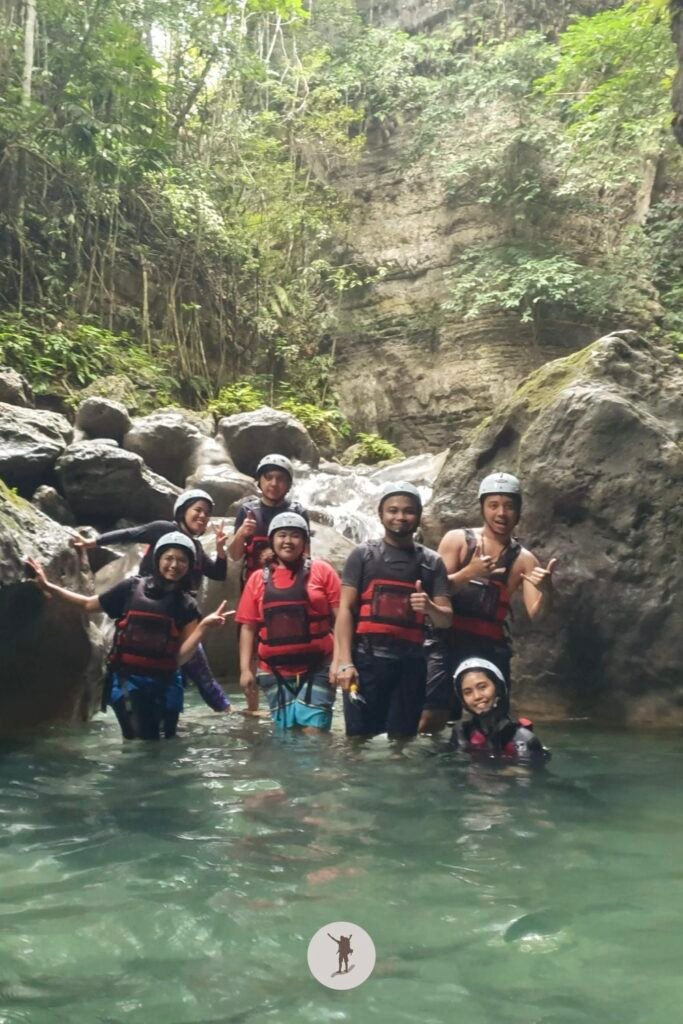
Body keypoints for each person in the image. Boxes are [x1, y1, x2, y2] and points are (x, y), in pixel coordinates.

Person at [27, 533, 231, 741]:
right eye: (169, 558)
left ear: (188, 567)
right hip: (128, 680)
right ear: (158, 560)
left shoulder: (187, 606)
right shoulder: (131, 589)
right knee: (143, 739)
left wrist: (203, 626)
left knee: (163, 741)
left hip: (165, 683)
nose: (174, 565)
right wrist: (48, 587)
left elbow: (179, 658)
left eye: (181, 560)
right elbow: (88, 604)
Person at [71, 489, 231, 714]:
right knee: (180, 673)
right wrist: (93, 542)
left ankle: (224, 713)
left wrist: (222, 550)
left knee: (194, 674)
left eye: (207, 513)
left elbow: (217, 573)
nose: (203, 516)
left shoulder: (195, 548)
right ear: (182, 511)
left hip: (179, 616)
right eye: (198, 510)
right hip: (147, 608)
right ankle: (223, 711)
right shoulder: (163, 530)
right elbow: (131, 533)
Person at [420, 472, 557, 734]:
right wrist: (469, 573)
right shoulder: (457, 540)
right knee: (432, 717)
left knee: (494, 722)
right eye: (494, 505)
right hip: (446, 641)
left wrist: (547, 590)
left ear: (518, 511)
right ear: (482, 507)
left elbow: (537, 615)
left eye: (509, 506)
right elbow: (434, 591)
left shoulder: (524, 560)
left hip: (488, 647)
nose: (501, 513)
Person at [334, 482, 452, 739]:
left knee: (402, 742)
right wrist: (344, 662)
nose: (400, 517)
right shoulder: (362, 555)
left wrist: (430, 608)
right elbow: (345, 610)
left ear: (419, 516)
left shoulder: (432, 563)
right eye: (393, 510)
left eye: (408, 511)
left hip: (411, 664)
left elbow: (445, 620)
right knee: (358, 740)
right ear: (380, 514)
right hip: (366, 661)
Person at [235, 512, 340, 733]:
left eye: (295, 536)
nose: (288, 541)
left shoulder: (323, 571)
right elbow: (248, 627)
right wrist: (246, 670)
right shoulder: (257, 579)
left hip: (319, 666)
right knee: (287, 734)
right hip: (273, 670)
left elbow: (341, 620)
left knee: (314, 732)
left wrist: (340, 662)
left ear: (304, 542)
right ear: (272, 541)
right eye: (282, 535)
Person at [227, 455, 309, 588]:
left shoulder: (297, 512)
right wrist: (241, 534)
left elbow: (306, 556)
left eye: (280, 479)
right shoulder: (248, 511)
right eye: (268, 477)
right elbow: (235, 556)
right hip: (255, 583)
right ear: (259, 481)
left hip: (290, 582)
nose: (274, 483)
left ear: (288, 484)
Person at [450, 657, 550, 762]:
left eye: (482, 687)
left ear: (498, 688)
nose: (477, 696)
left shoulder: (521, 738)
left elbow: (527, 774)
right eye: (467, 692)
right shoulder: (462, 733)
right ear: (462, 700)